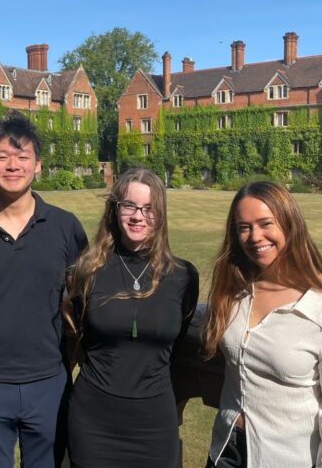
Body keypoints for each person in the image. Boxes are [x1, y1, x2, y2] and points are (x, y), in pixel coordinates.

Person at [0, 110, 88, 468]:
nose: (13, 165)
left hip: (48, 382)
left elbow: (80, 299)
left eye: (23, 156)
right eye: (2, 157)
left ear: (38, 165)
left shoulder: (65, 227)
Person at [204, 181, 322, 468]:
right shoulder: (234, 294)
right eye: (244, 227)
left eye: (266, 223)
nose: (255, 236)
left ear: (289, 224)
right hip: (225, 451)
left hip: (285, 458)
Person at [64, 167, 199, 468]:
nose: (138, 216)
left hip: (154, 421)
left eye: (149, 208)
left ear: (160, 215)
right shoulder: (87, 271)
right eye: (129, 206)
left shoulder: (183, 276)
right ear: (115, 209)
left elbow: (175, 345)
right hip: (93, 419)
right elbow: (79, 333)